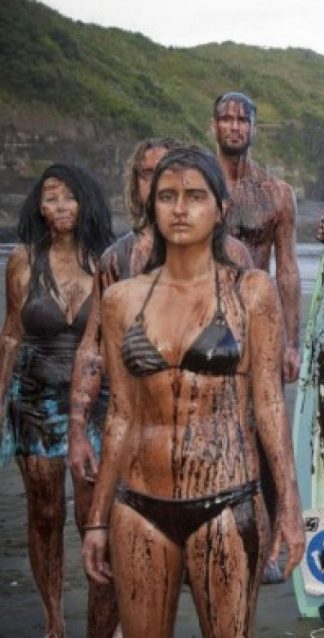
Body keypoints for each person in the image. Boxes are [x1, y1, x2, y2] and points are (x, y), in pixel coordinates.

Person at [80, 146, 304, 637]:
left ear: (220, 209)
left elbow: (269, 405)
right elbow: (119, 414)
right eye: (167, 196)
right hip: (137, 504)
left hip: (227, 499)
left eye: (195, 196)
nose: (179, 208)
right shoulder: (123, 301)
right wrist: (97, 518)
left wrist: (289, 505)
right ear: (151, 206)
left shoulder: (251, 293)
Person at [0, 164, 114, 637]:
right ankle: (53, 622)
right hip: (35, 400)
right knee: (45, 513)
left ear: (86, 202)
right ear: (40, 207)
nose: (61, 206)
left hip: (97, 402)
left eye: (70, 196)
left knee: (96, 517)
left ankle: (102, 624)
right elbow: (10, 334)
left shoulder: (108, 261)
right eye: (51, 197)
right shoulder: (24, 260)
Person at [211, 91, 301, 583]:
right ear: (213, 126)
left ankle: (269, 548)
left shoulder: (275, 194)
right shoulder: (199, 185)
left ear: (253, 127)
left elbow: (287, 268)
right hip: (205, 323)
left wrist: (292, 340)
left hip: (260, 324)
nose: (233, 127)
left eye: (241, 119)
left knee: (269, 436)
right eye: (225, 118)